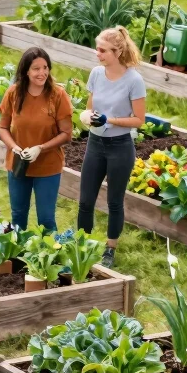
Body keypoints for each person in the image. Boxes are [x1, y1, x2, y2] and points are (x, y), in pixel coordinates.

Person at [77, 27, 147, 268]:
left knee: (114, 202)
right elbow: (90, 105)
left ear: (117, 52)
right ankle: (82, 245)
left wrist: (110, 120)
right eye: (97, 49)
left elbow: (139, 120)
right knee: (85, 200)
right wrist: (87, 116)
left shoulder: (134, 80)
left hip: (120, 147)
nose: (98, 54)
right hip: (95, 144)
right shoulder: (96, 74)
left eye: (102, 50)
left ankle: (110, 248)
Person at [0, 47, 73, 232]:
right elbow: (2, 127)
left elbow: (66, 134)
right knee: (18, 216)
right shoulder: (14, 93)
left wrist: (40, 148)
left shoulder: (57, 95)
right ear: (26, 71)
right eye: (36, 68)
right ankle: (16, 257)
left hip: (47, 167)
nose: (42, 73)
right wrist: (14, 148)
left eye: (45, 67)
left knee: (46, 219)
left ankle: (49, 258)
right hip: (18, 164)